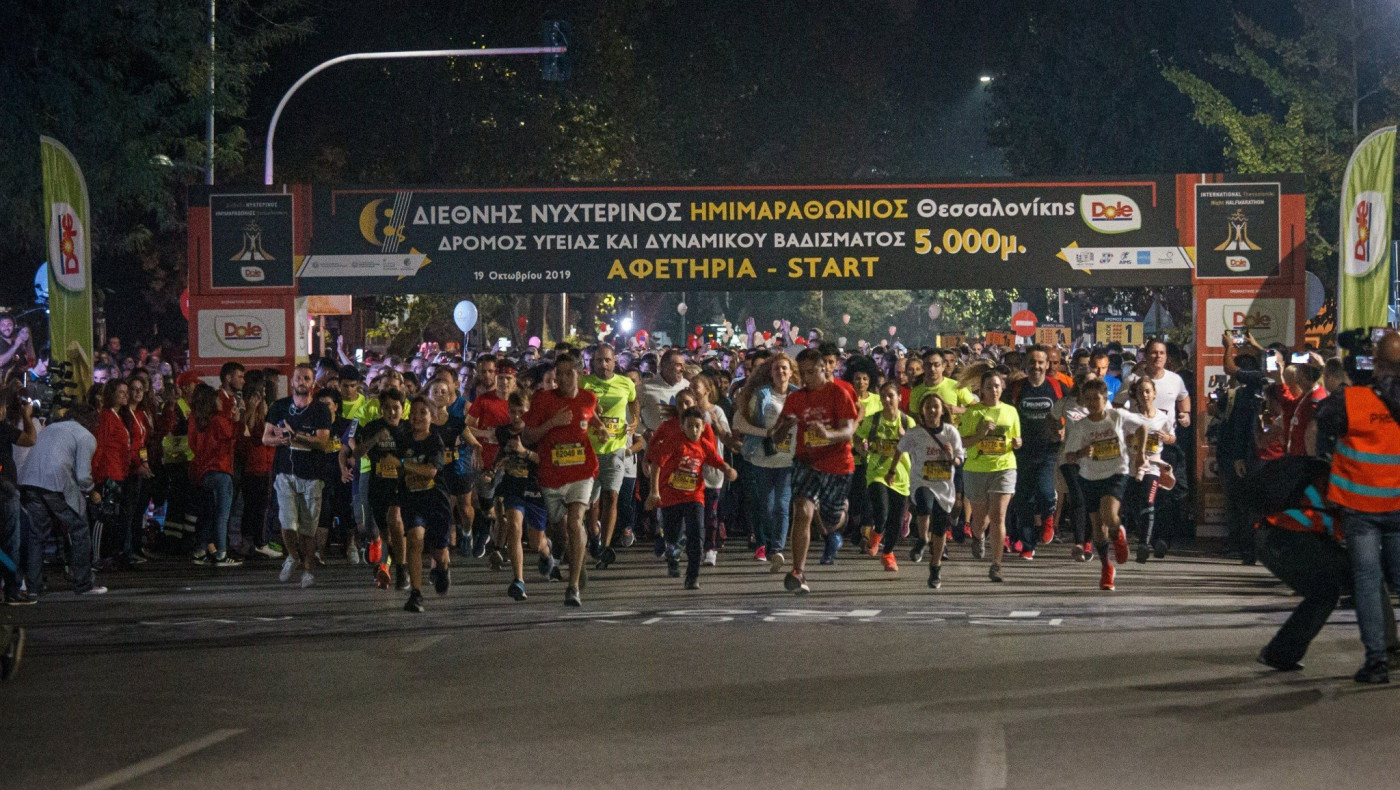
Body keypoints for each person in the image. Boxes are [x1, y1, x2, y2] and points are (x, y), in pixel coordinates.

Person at [1318, 330, 1400, 683]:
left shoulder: (1352, 399)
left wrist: (1354, 381)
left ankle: (1377, 661)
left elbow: (1323, 416)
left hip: (1361, 506)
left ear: (1375, 362)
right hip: (1398, 505)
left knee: (1367, 581)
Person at [768, 347, 859, 594]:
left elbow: (848, 430)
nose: (806, 378)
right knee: (802, 510)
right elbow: (776, 437)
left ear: (825, 368)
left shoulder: (839, 393)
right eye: (802, 373)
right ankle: (798, 570)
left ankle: (841, 512)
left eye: (811, 372)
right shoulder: (797, 398)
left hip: (837, 463)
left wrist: (828, 434)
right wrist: (783, 428)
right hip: (806, 461)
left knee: (830, 520)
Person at [523, 351, 601, 607]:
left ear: (580, 373)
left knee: (575, 522)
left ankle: (573, 585)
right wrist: (552, 424)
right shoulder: (543, 400)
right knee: (559, 529)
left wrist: (599, 427)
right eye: (560, 374)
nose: (565, 379)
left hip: (582, 471)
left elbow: (590, 415)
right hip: (552, 475)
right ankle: (576, 560)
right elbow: (527, 438)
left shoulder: (589, 397)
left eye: (570, 373)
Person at [1063, 378, 1154, 591]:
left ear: (1106, 398)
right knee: (1097, 530)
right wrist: (1081, 453)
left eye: (1097, 398)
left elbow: (1142, 427)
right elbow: (1069, 456)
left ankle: (1118, 531)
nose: (1093, 403)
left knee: (1108, 514)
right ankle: (1107, 567)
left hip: (1115, 473)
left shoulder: (1117, 417)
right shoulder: (1081, 426)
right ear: (1084, 402)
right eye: (1089, 399)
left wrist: (1140, 454)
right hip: (1089, 477)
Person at [646, 407, 738, 589]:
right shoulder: (674, 442)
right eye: (690, 426)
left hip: (694, 496)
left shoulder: (704, 445)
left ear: (703, 427)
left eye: (697, 426)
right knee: (672, 536)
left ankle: (692, 576)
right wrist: (654, 492)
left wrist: (728, 470)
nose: (694, 431)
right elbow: (657, 465)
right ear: (682, 427)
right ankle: (672, 555)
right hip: (670, 497)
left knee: (696, 534)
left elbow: (718, 461)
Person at [20, 405, 105, 596]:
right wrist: (92, 493)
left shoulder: (50, 428)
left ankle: (34, 586)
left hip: (29, 481)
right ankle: (83, 583)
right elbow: (83, 477)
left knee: (37, 536)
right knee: (80, 529)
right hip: (55, 483)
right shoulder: (85, 436)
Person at [262, 363, 332, 589]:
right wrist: (280, 440)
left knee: (307, 529)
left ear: (313, 383)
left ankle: (308, 570)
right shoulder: (279, 407)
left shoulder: (321, 410)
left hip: (311, 477)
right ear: (292, 381)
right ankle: (292, 556)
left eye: (306, 378)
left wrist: (296, 438)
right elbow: (266, 438)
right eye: (298, 378)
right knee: (287, 522)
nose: (301, 382)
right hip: (285, 475)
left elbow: (322, 441)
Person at [894, 394, 964, 588]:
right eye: (928, 407)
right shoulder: (915, 433)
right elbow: (900, 448)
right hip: (921, 481)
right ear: (922, 411)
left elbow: (960, 460)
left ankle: (935, 567)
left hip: (944, 486)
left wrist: (951, 458)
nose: (932, 410)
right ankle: (923, 538)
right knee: (924, 502)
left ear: (942, 410)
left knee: (941, 527)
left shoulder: (951, 432)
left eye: (936, 407)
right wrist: (892, 470)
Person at [733, 354, 796, 568]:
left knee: (782, 506)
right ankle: (768, 543)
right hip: (764, 458)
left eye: (785, 368)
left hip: (788, 461)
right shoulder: (761, 394)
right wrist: (766, 432)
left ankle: (777, 549)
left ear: (791, 371)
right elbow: (740, 422)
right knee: (767, 507)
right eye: (777, 369)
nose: (781, 372)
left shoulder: (798, 395)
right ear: (771, 372)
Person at [579, 344, 638, 568]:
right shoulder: (584, 384)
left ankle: (605, 547)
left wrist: (634, 419)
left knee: (611, 497)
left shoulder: (626, 383)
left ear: (615, 362)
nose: (603, 365)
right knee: (589, 505)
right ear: (592, 363)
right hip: (589, 450)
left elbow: (634, 400)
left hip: (615, 449)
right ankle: (594, 535)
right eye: (598, 361)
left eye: (607, 360)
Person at [960, 370, 1022, 582]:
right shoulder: (973, 413)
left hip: (1004, 467)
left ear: (1002, 388)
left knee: (998, 516)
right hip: (977, 469)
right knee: (980, 518)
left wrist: (1017, 443)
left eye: (997, 386)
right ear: (981, 390)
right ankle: (977, 535)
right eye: (989, 387)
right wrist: (980, 434)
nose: (993, 390)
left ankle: (996, 565)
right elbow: (963, 442)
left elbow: (1016, 438)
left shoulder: (1010, 411)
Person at [1005, 346, 1065, 560]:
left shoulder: (1057, 388)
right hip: (1021, 452)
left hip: (1049, 450)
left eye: (1041, 362)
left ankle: (1049, 515)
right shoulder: (1016, 389)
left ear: (1047, 364)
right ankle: (1028, 545)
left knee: (1046, 491)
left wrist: (1065, 429)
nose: (1036, 366)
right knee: (1023, 500)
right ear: (1026, 364)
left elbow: (1075, 412)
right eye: (1032, 362)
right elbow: (1003, 414)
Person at [396, 396, 454, 613]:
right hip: (413, 499)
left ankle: (443, 567)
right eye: (414, 413)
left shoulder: (435, 441)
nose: (417, 417)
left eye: (423, 413)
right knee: (414, 540)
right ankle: (416, 593)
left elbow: (431, 470)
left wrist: (404, 465)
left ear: (432, 417)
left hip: (436, 500)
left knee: (438, 551)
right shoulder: (403, 440)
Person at [856, 380, 915, 572]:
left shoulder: (907, 422)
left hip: (901, 475)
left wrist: (905, 437)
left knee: (896, 520)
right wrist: (861, 448)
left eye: (891, 396)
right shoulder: (873, 420)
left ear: (899, 397)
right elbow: (857, 436)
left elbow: (916, 448)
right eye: (883, 396)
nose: (887, 400)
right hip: (877, 472)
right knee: (882, 511)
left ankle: (887, 552)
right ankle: (877, 532)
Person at [353, 388, 409, 590]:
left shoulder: (408, 429)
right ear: (380, 410)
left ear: (403, 409)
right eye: (387, 408)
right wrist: (375, 439)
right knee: (385, 534)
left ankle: (399, 569)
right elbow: (357, 453)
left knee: (396, 521)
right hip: (377, 484)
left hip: (399, 484)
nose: (392, 413)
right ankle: (388, 565)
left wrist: (400, 463)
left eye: (396, 408)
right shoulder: (372, 427)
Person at [494, 389, 543, 601]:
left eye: (520, 412)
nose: (516, 417)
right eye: (512, 412)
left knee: (535, 542)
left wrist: (525, 452)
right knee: (514, 526)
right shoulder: (503, 432)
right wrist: (494, 468)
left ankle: (547, 551)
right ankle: (518, 580)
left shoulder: (535, 433)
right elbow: (500, 454)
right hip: (514, 487)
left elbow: (544, 460)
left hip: (535, 488)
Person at [187, 383, 241, 566]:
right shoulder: (217, 420)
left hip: (204, 472)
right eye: (217, 398)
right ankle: (221, 554)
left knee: (208, 514)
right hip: (222, 469)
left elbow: (193, 445)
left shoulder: (197, 420)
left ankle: (201, 549)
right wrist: (236, 419)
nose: (220, 400)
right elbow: (232, 436)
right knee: (222, 515)